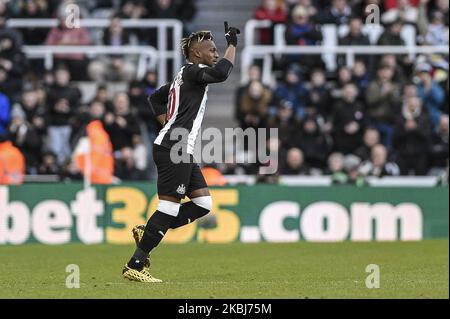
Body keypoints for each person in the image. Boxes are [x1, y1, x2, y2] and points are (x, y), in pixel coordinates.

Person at [122, 23, 240, 283]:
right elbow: (221, 74)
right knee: (168, 207)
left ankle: (151, 231)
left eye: (218, 48)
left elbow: (154, 98)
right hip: (174, 148)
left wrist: (167, 123)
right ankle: (136, 264)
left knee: (202, 204)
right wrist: (233, 44)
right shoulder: (194, 72)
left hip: (178, 147)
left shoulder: (183, 76)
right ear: (196, 54)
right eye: (211, 49)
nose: (216, 53)